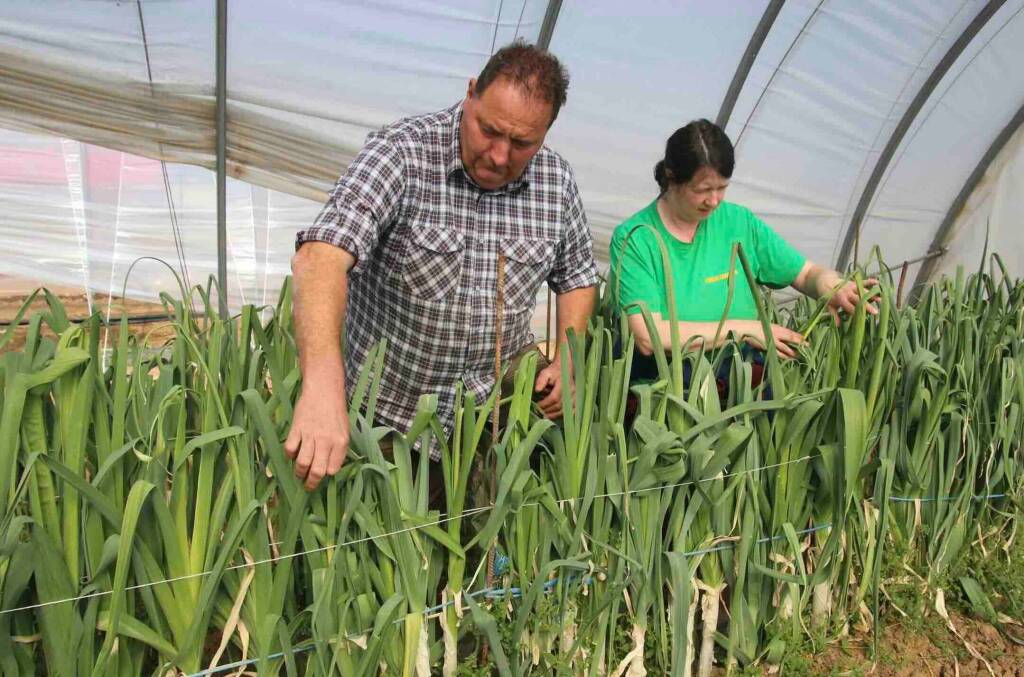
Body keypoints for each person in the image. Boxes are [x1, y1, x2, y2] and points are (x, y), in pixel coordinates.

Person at [287, 41, 599, 491]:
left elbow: (577, 275)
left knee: (487, 545)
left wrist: (569, 357)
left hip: (494, 412)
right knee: (390, 550)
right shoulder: (402, 154)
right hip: (390, 416)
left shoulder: (556, 181)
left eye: (521, 143)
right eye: (489, 130)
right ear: (471, 93)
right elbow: (320, 258)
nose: (498, 154)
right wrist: (321, 388)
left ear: (546, 132)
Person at [610, 119, 875, 384]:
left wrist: (833, 286)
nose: (714, 201)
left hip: (741, 376)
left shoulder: (739, 223)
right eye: (703, 190)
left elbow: (806, 274)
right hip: (667, 384)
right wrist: (746, 331)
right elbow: (649, 337)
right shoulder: (636, 238)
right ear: (671, 178)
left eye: (722, 188)